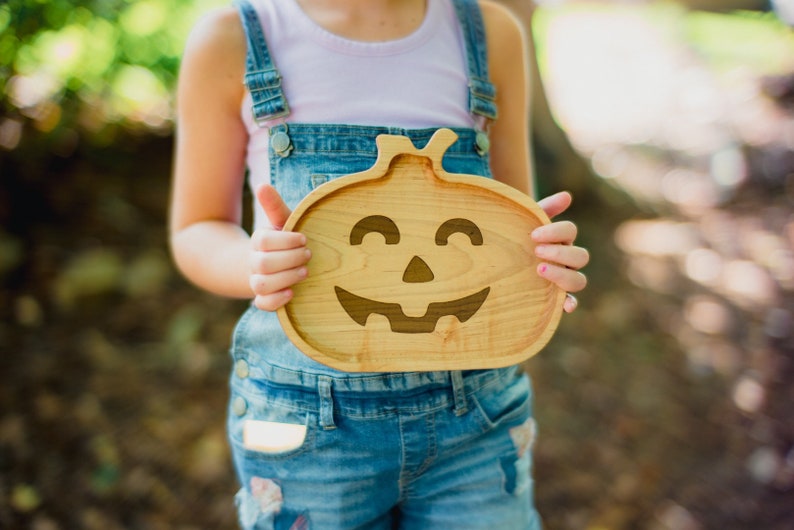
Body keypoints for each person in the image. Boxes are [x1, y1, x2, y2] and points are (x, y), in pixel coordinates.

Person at [169, 0, 589, 528]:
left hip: (478, 419)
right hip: (307, 429)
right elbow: (195, 228)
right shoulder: (234, 37)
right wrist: (251, 263)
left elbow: (514, 226)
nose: (413, 271)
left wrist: (543, 265)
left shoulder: (490, 33)